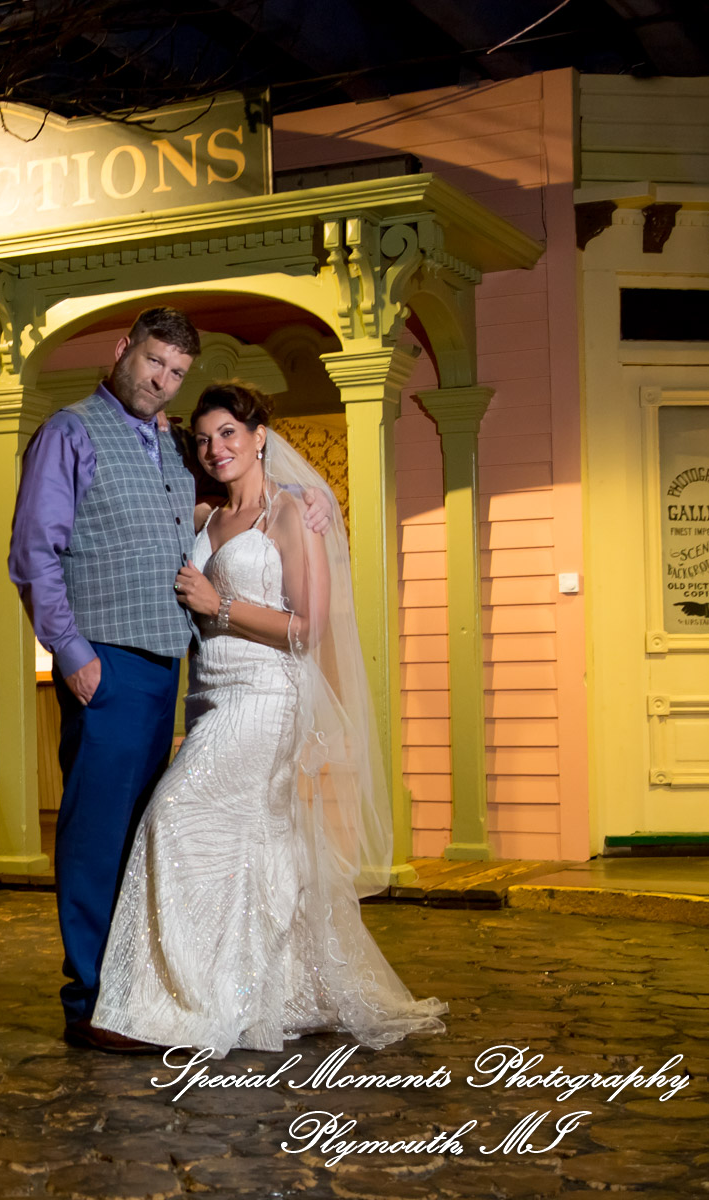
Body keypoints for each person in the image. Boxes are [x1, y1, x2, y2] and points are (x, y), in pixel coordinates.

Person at [91, 380, 447, 1054]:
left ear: (259, 436)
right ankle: (275, 989)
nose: (215, 448)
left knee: (173, 816)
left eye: (227, 433)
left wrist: (217, 603)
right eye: (203, 439)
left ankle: (183, 1002)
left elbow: (307, 628)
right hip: (209, 697)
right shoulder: (201, 519)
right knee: (251, 845)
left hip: (266, 700)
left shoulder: (291, 515)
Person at [8, 306, 203, 1054]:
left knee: (139, 838)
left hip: (164, 663)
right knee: (96, 837)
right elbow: (34, 552)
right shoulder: (70, 432)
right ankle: (91, 1002)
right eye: (155, 362)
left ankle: (129, 992)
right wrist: (72, 652)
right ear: (124, 350)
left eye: (177, 373)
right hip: (108, 662)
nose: (162, 381)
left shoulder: (169, 445)